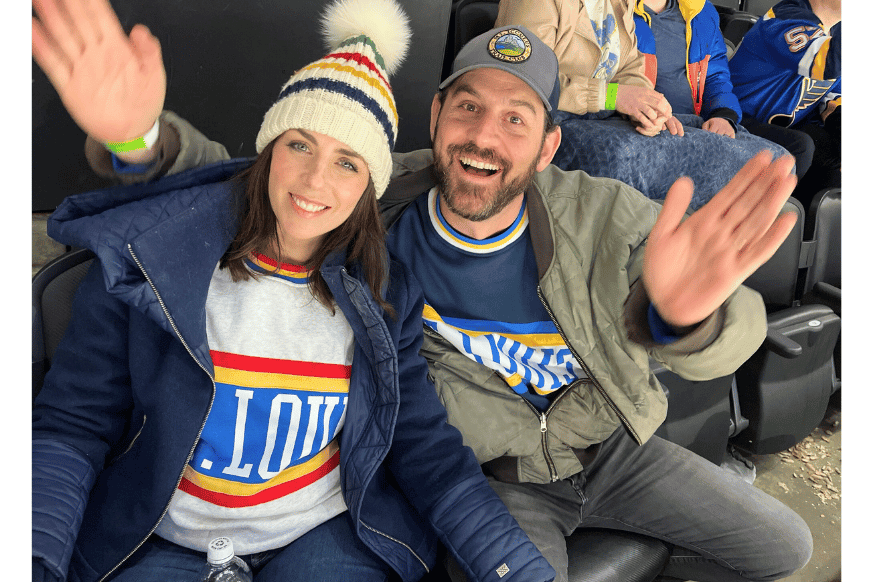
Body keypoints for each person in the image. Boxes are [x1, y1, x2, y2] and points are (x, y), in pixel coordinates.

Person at [39, 12, 814, 582]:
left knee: (786, 548)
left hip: (607, 452)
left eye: (516, 119)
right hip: (498, 481)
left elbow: (730, 318)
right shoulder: (379, 202)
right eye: (468, 107)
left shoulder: (602, 213)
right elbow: (252, 176)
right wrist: (140, 141)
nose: (484, 135)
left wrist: (679, 316)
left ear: (548, 144)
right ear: (437, 116)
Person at [30, 1, 556, 581]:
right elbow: (73, 424)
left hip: (322, 537)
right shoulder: (153, 257)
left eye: (348, 163)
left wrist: (518, 571)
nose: (315, 182)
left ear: (369, 186)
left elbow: (424, 448)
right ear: (269, 149)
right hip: (162, 538)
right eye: (300, 145)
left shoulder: (383, 293)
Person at [494, 0, 788, 211]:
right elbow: (523, 81)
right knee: (623, 155)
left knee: (776, 158)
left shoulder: (618, 3)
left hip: (606, 118)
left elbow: (632, 65)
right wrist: (614, 97)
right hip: (556, 124)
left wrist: (648, 109)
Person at [728, 0, 841, 209]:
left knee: (838, 153)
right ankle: (763, 220)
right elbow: (827, 63)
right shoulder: (784, 16)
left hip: (784, 126)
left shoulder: (838, 31)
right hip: (736, 119)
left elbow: (835, 103)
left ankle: (808, 232)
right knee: (801, 146)